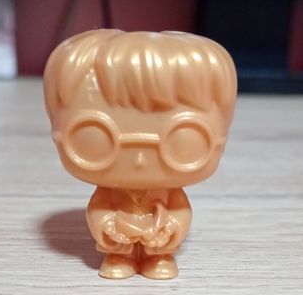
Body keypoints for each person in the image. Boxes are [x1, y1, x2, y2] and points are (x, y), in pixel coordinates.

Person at [44, 29, 237, 279]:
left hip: (157, 237)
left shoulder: (169, 192)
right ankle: (118, 258)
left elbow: (181, 211)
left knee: (159, 253)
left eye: (183, 139)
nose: (139, 159)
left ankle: (159, 258)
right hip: (120, 237)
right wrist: (106, 226)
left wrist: (171, 228)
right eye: (94, 137)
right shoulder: (109, 191)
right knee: (118, 253)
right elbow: (98, 208)